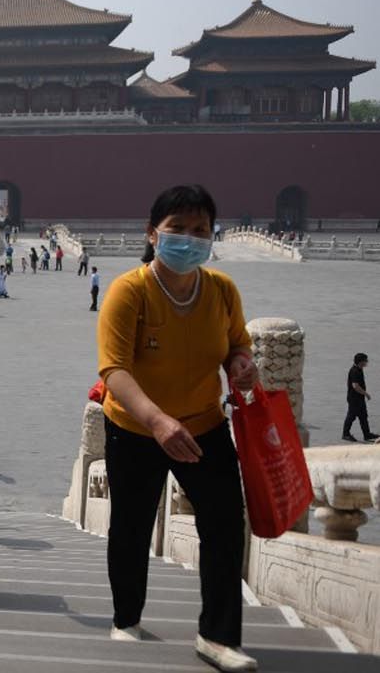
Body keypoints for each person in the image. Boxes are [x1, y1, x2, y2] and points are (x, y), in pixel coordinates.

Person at [97, 184, 259, 671]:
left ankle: (218, 636)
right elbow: (114, 371)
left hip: (203, 426)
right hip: (136, 430)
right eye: (178, 230)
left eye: (200, 230)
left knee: (226, 525)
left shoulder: (222, 290)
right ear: (153, 234)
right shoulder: (130, 290)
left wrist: (242, 363)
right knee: (131, 526)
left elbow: (237, 344)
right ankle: (126, 620)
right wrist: (158, 420)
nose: (190, 239)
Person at [343, 352, 374, 442]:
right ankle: (345, 434)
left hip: (359, 398)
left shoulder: (359, 369)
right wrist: (366, 394)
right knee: (351, 416)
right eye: (365, 360)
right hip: (354, 399)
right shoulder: (355, 371)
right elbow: (355, 386)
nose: (367, 362)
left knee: (363, 416)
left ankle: (367, 434)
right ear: (361, 362)